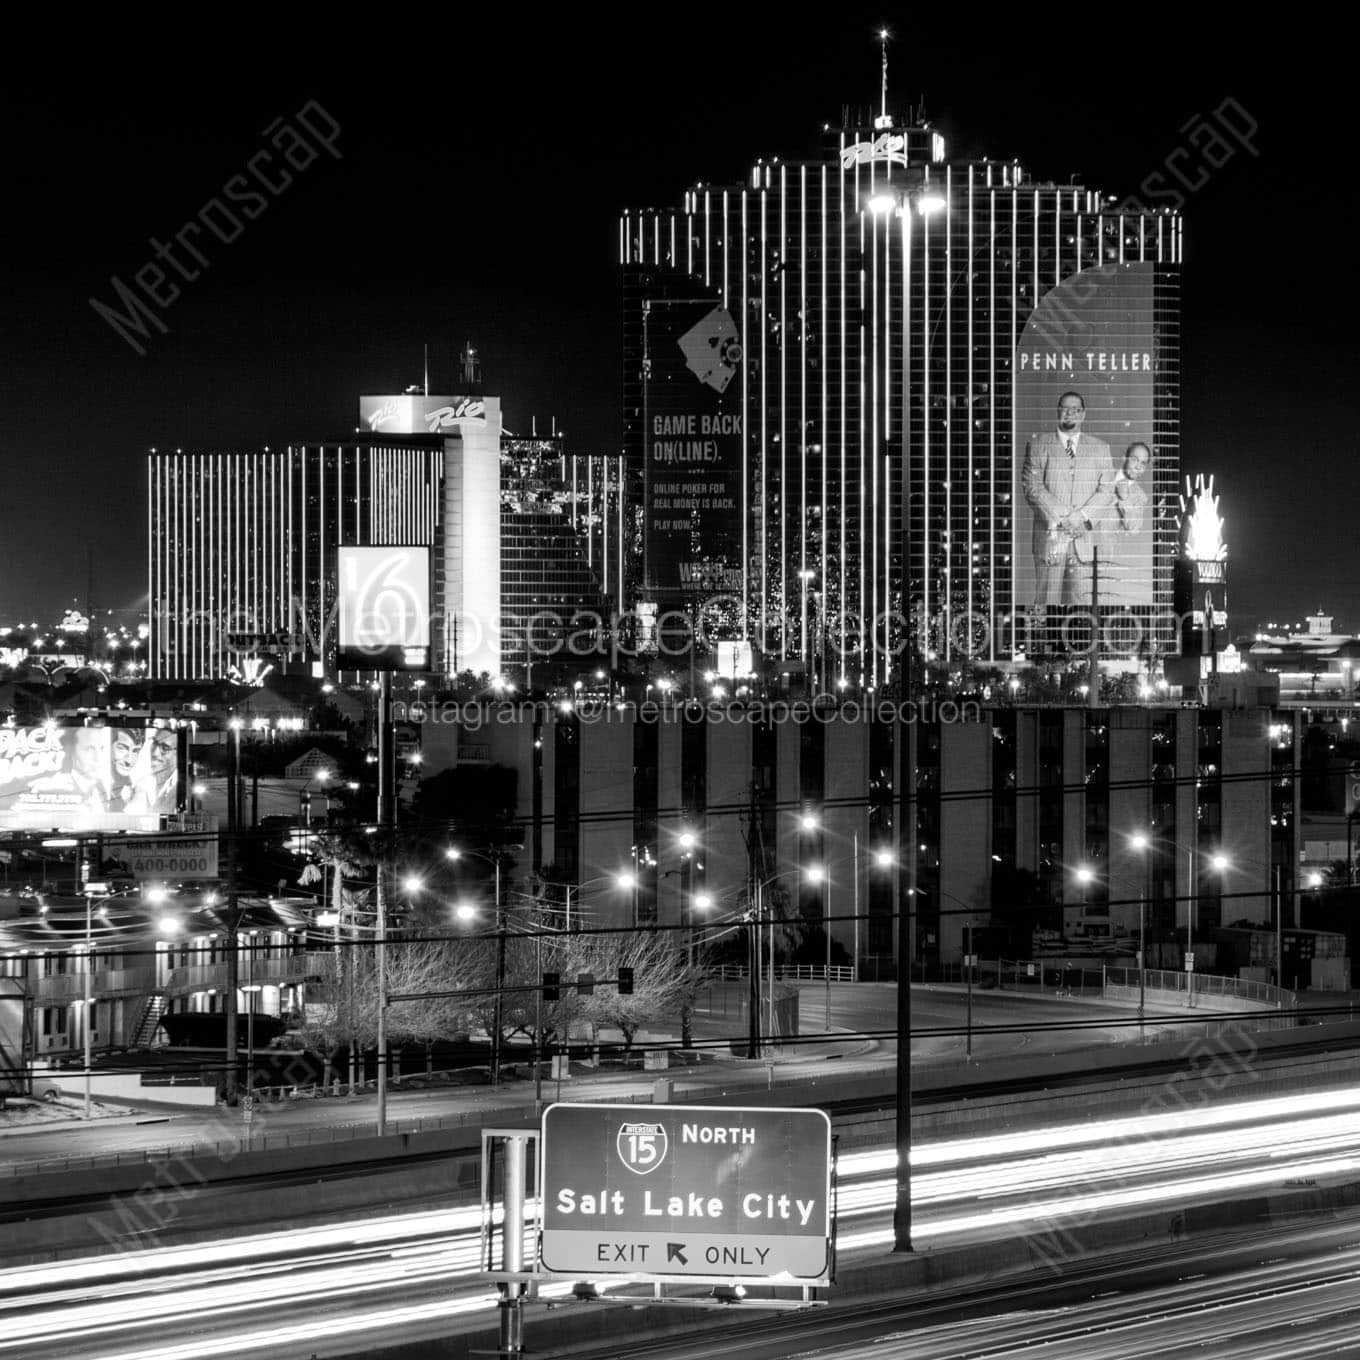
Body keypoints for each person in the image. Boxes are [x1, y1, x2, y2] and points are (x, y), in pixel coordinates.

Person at [1021, 391, 1113, 607]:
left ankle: (1080, 642)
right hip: (1050, 540)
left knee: (1082, 611)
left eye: (1076, 409)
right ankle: (1042, 641)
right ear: (1058, 411)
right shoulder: (1038, 445)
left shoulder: (1101, 448)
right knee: (1046, 605)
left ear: (1083, 414)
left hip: (1085, 542)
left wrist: (1081, 517)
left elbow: (1107, 491)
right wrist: (1066, 518)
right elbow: (1032, 488)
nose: (1070, 413)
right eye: (1065, 408)